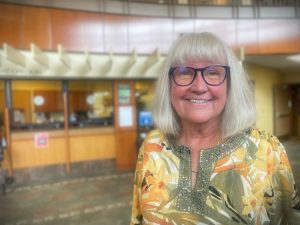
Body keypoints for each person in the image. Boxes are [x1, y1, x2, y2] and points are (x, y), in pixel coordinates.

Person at [130, 32, 300, 224]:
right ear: (168, 85)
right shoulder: (152, 146)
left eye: (213, 72)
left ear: (230, 85)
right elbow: (137, 218)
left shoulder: (267, 149)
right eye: (185, 72)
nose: (199, 86)